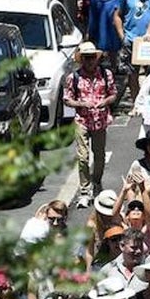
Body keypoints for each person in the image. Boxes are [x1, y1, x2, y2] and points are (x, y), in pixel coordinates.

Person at [64, 42, 117, 208]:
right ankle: (85, 190)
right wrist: (81, 104)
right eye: (86, 58)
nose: (90, 61)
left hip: (100, 120)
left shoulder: (105, 74)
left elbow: (113, 94)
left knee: (99, 155)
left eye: (92, 57)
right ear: (82, 59)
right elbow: (67, 99)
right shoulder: (73, 77)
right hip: (82, 121)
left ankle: (97, 183)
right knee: (83, 157)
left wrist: (105, 102)